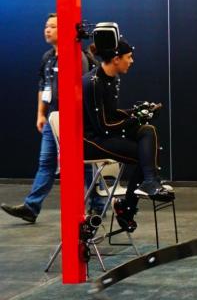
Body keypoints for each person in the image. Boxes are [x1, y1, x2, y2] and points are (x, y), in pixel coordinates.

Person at [2, 14, 100, 224]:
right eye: (46, 26)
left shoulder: (78, 57)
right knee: (46, 162)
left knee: (84, 164)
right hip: (53, 119)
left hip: (78, 121)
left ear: (64, 31)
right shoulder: (48, 57)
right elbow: (44, 87)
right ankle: (31, 207)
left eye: (53, 27)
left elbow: (84, 91)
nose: (47, 30)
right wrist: (41, 114)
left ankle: (97, 207)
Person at [82, 38, 173, 232]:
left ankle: (149, 182)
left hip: (103, 134)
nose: (131, 61)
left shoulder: (112, 78)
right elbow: (104, 127)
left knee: (148, 131)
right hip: (90, 140)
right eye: (129, 57)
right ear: (116, 59)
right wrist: (137, 118)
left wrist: (137, 111)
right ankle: (127, 208)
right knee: (145, 154)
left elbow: (113, 115)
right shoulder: (93, 83)